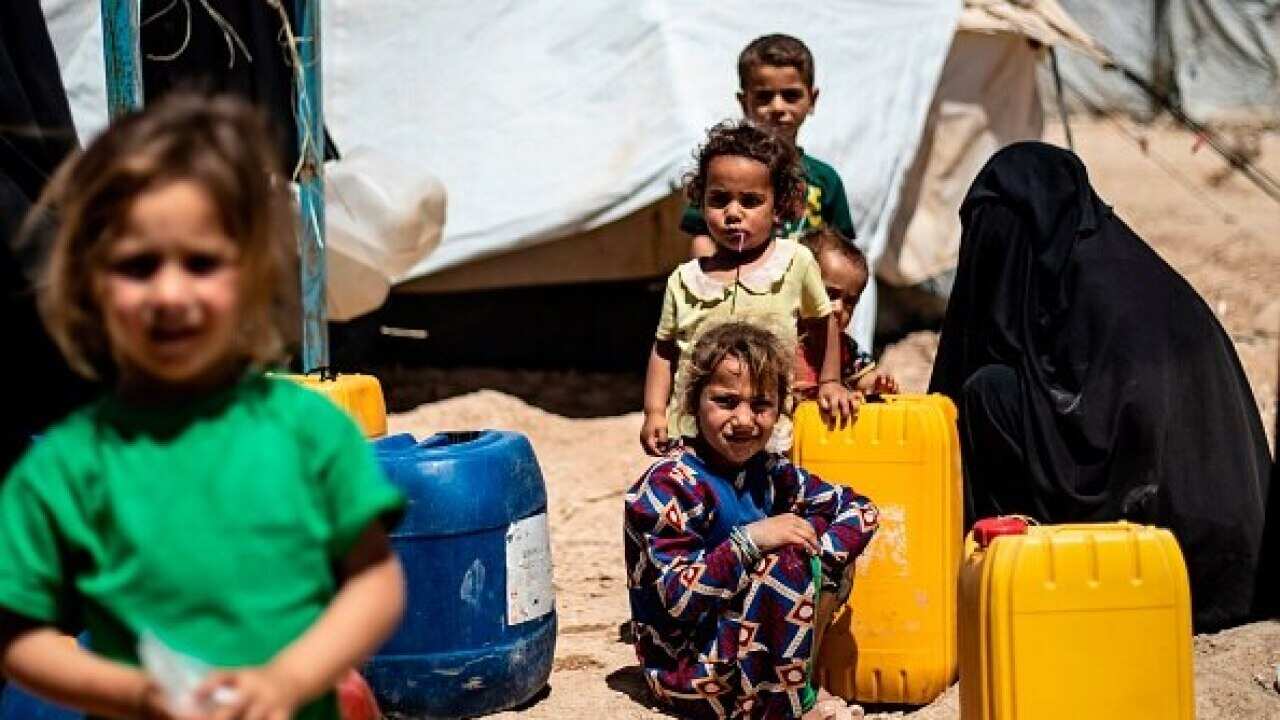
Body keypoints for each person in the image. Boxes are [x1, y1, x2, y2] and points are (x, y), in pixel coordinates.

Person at [0, 93, 407, 719]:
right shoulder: (65, 466)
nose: (169, 293)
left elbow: (375, 584)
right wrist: (134, 692)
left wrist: (290, 679)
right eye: (137, 265)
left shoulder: (307, 434)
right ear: (86, 282)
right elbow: (22, 638)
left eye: (201, 263)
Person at [928, 141, 1273, 633]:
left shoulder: (1115, 305)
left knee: (990, 392)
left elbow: (1122, 456)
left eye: (998, 224)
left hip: (1181, 557)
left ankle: (1021, 562)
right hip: (1226, 544)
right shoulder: (1115, 271)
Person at [625, 321, 878, 719]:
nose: (744, 420)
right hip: (690, 670)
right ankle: (787, 708)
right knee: (786, 564)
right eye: (726, 402)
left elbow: (859, 508)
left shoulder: (772, 474)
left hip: (746, 645)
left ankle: (792, 689)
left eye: (761, 405)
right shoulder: (670, 487)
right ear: (693, 403)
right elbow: (677, 600)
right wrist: (751, 541)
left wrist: (819, 556)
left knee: (802, 554)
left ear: (779, 411)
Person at [641, 120, 852, 456]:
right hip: (696, 434)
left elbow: (822, 321)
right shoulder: (685, 280)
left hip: (768, 431)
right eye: (719, 199)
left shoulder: (794, 263)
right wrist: (654, 411)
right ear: (701, 200)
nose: (733, 213)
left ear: (778, 205)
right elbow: (664, 350)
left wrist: (830, 381)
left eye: (751, 201)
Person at [684, 34, 856, 260]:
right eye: (764, 97)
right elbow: (702, 240)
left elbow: (841, 252)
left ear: (812, 100)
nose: (777, 107)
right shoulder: (724, 172)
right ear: (744, 102)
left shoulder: (825, 179)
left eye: (791, 95)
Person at [793, 228, 898, 401]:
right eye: (829, 294)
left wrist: (876, 383)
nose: (839, 307)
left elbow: (861, 379)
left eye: (850, 302)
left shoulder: (846, 349)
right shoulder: (781, 336)